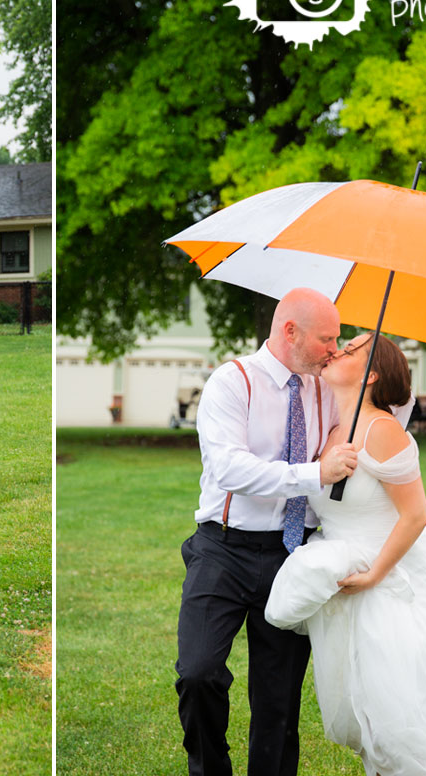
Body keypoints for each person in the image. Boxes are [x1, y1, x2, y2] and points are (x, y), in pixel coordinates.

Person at [175, 287, 359, 776]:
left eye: (339, 339)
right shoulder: (232, 382)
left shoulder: (328, 387)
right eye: (328, 338)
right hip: (223, 549)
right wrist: (313, 473)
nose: (334, 348)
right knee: (198, 674)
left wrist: (367, 363)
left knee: (278, 703)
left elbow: (388, 417)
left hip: (294, 554)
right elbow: (230, 468)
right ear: (290, 331)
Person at [265, 333, 426, 774]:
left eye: (351, 349)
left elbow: (416, 516)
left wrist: (372, 576)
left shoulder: (383, 431)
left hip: (388, 586)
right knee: (365, 720)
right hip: (345, 581)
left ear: (370, 376)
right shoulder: (331, 432)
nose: (337, 349)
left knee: (397, 725)